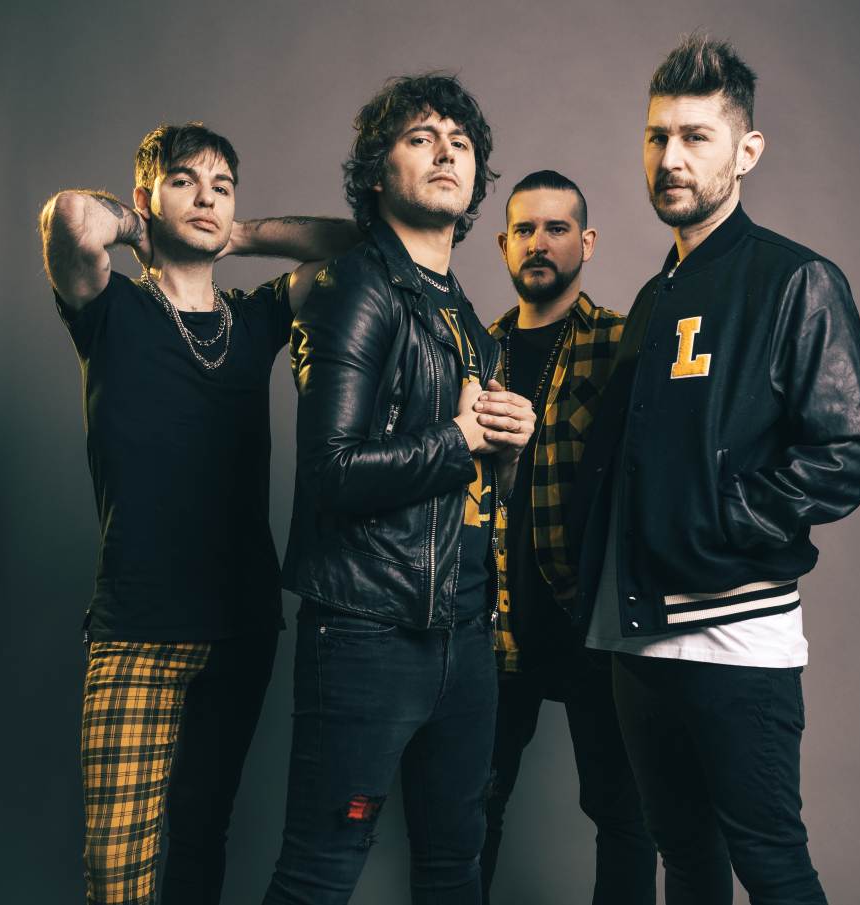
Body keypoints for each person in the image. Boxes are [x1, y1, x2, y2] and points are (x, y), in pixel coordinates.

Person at [574, 36, 860, 905]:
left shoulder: (796, 279)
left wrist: (725, 519)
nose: (669, 158)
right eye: (656, 137)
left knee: (772, 865)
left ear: (746, 151)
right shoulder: (655, 296)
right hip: (636, 639)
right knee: (684, 858)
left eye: (695, 136)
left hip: (735, 636)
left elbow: (855, 446)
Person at [39, 120, 359, 905]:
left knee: (200, 839)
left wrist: (239, 235)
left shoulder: (256, 318)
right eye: (185, 181)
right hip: (137, 628)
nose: (207, 197)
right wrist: (137, 225)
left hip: (241, 628)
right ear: (147, 194)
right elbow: (70, 218)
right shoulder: (110, 307)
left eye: (222, 186)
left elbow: (360, 249)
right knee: (117, 868)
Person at [262, 74, 535, 905]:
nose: (446, 150)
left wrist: (506, 449)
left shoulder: (467, 316)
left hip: (464, 633)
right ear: (377, 174)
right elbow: (331, 471)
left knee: (456, 866)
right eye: (421, 137)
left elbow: (472, 493)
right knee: (319, 873)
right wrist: (461, 437)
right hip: (367, 631)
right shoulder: (356, 288)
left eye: (460, 141)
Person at [481, 170, 657, 904]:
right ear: (503, 244)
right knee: (472, 806)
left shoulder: (621, 342)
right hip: (493, 619)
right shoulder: (477, 350)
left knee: (622, 812)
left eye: (556, 228)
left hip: (590, 620)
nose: (539, 243)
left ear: (586, 242)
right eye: (524, 229)